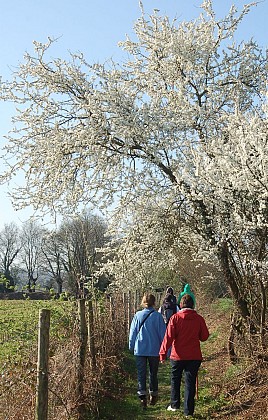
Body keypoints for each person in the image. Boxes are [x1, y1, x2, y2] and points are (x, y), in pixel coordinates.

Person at [159, 294, 209, 417]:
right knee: (190, 382)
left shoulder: (175, 318)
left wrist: (162, 353)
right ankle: (188, 411)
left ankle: (175, 404)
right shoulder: (199, 319)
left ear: (180, 305)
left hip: (177, 356)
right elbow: (204, 337)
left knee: (175, 379)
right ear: (192, 305)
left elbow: (168, 338)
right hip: (194, 356)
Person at [129, 292, 166, 409]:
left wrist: (131, 346)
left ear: (143, 302)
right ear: (154, 303)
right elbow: (163, 335)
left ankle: (142, 396)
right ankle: (153, 394)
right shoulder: (158, 316)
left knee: (141, 373)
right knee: (153, 373)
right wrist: (165, 350)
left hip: (140, 349)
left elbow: (133, 333)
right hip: (154, 349)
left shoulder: (137, 315)